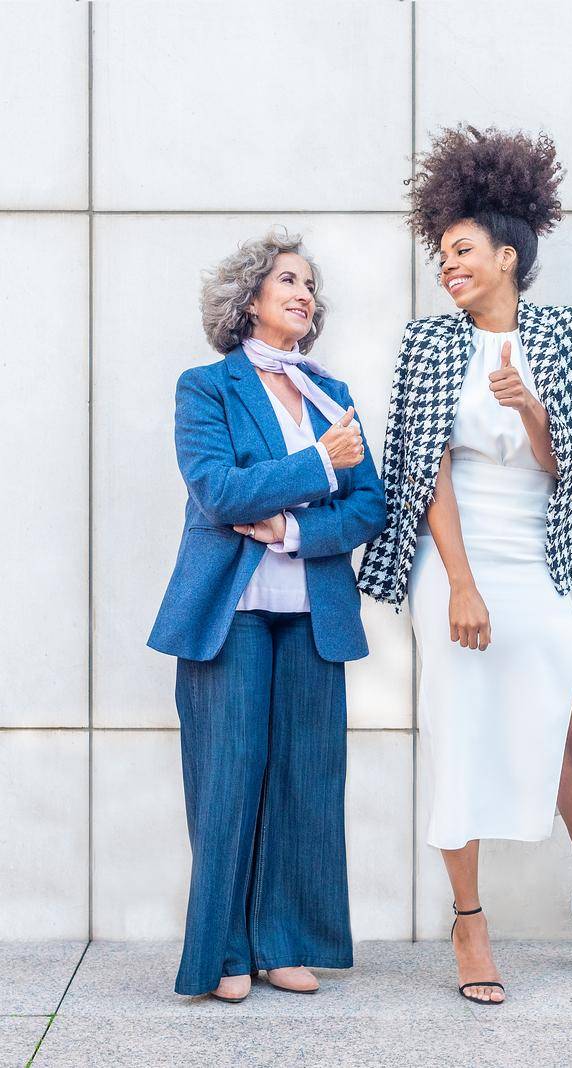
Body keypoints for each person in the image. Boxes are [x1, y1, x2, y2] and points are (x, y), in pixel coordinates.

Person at [358, 124, 572, 1003]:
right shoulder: (428, 345)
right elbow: (422, 469)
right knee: (459, 735)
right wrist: (458, 582)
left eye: (462, 252)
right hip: (456, 558)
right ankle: (469, 921)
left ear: (508, 255)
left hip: (538, 558)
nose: (448, 267)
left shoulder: (570, 336)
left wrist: (531, 409)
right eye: (441, 254)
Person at [148, 226, 386, 1002]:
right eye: (288, 280)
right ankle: (224, 951)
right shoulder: (206, 387)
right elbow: (219, 491)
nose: (303, 294)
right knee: (229, 780)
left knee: (304, 781)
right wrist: (318, 467)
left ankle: (283, 941)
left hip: (313, 611)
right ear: (249, 297)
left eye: (310, 285)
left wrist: (291, 527)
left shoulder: (331, 393)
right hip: (233, 610)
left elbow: (368, 507)